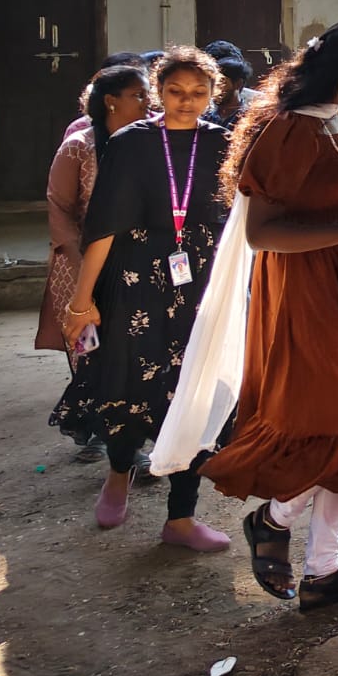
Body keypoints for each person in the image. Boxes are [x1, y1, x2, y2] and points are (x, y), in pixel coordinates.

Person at [199, 21, 338, 610]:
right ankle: (275, 518)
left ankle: (323, 568)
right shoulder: (288, 129)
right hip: (303, 289)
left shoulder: (337, 119)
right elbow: (264, 234)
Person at [55, 48, 231, 550]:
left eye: (199, 93)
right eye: (175, 91)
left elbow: (238, 224)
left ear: (213, 95)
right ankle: (118, 470)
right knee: (130, 376)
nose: (186, 101)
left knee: (193, 391)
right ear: (157, 91)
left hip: (201, 280)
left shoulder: (222, 142)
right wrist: (81, 299)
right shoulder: (131, 143)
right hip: (136, 278)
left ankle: (181, 518)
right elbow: (104, 225)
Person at [40, 64, 153, 463]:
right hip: (82, 265)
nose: (148, 102)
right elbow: (61, 209)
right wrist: (82, 268)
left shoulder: (145, 142)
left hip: (135, 262)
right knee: (91, 350)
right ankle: (103, 434)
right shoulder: (78, 146)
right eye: (139, 95)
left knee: (132, 351)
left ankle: (128, 437)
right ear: (111, 102)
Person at [207, 49, 255, 131]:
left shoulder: (248, 120)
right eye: (212, 82)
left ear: (238, 84)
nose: (214, 88)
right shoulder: (205, 116)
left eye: (221, 82)